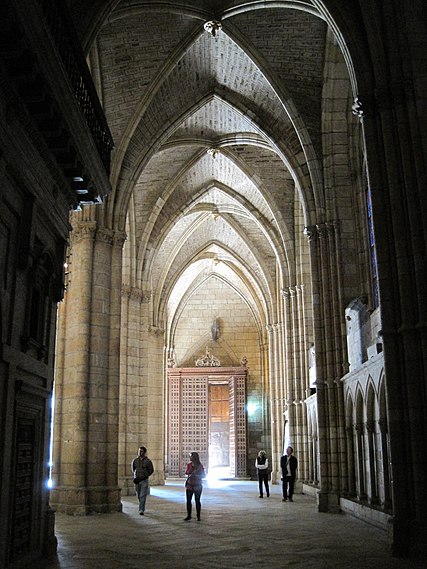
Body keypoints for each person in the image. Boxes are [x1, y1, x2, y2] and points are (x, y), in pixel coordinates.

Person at [131, 446, 154, 515]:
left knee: (142, 495)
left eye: (141, 451)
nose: (140, 452)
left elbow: (151, 470)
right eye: (139, 451)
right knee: (138, 494)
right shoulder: (135, 461)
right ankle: (141, 505)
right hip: (137, 480)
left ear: (144, 452)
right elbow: (133, 469)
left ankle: (141, 509)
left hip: (144, 480)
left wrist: (145, 475)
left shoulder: (148, 461)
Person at [184, 452, 205, 521]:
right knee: (188, 501)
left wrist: (196, 475)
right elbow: (186, 472)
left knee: (197, 500)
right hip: (189, 485)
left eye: (191, 456)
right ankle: (189, 515)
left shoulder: (200, 466)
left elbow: (203, 475)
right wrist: (189, 472)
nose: (190, 458)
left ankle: (198, 516)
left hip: (197, 485)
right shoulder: (189, 465)